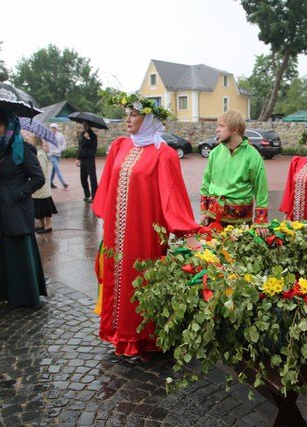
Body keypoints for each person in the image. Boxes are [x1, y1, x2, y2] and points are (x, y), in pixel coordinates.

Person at [93, 92, 201, 358]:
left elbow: (173, 194)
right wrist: (107, 216)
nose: (127, 119)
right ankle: (117, 332)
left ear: (149, 118)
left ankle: (140, 337)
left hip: (143, 231)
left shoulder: (163, 154)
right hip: (116, 230)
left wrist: (188, 234)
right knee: (115, 277)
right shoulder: (121, 146)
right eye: (127, 114)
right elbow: (107, 183)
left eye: (134, 115)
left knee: (138, 280)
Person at [0, 109, 47, 307]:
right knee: (6, 254)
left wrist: (17, 193)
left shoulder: (22, 148)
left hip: (17, 210)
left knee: (19, 253)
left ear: (10, 126)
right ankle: (10, 295)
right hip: (1, 210)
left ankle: (25, 296)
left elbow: (38, 178)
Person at [200, 110, 269, 229]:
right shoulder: (215, 153)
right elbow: (206, 182)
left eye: (221, 126)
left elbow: (261, 189)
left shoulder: (252, 156)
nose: (217, 130)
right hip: (214, 218)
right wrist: (203, 211)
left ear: (235, 129)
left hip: (240, 222)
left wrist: (260, 221)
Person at [25, 133, 57, 234]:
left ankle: (48, 226)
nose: (29, 142)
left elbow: (41, 170)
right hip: (40, 188)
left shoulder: (40, 155)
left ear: (35, 142)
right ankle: (42, 224)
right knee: (39, 207)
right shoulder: (38, 153)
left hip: (42, 187)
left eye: (31, 140)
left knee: (45, 207)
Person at [76, 121, 98, 202]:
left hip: (90, 160)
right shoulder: (82, 135)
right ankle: (87, 194)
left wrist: (88, 139)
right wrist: (78, 158)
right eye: (83, 125)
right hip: (82, 159)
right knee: (83, 178)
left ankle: (94, 196)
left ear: (89, 126)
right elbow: (80, 147)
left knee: (92, 179)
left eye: (86, 125)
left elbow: (93, 148)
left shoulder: (93, 136)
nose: (84, 126)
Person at [49, 123, 69, 189]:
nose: (53, 129)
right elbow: (46, 144)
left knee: (54, 170)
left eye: (54, 128)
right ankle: (63, 183)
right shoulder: (48, 135)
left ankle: (50, 183)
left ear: (56, 128)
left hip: (58, 155)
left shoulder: (60, 135)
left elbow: (64, 143)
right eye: (52, 128)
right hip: (51, 155)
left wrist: (61, 149)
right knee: (57, 169)